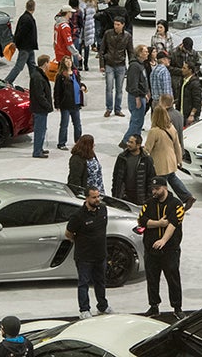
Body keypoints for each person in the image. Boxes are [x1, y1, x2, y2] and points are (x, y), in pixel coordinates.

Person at [138, 177, 186, 319]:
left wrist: (164, 240)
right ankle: (154, 306)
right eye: (153, 189)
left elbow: (173, 223)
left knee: (173, 278)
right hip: (151, 249)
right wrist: (159, 223)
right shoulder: (148, 204)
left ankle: (177, 307)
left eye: (157, 189)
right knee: (152, 278)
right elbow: (141, 220)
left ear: (165, 188)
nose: (154, 191)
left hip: (170, 249)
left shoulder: (176, 204)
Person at [65, 186, 111, 319]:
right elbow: (68, 234)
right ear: (86, 198)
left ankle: (103, 306)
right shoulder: (78, 216)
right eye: (94, 197)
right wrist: (81, 241)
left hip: (100, 254)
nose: (97, 200)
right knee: (83, 283)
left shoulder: (103, 209)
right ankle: (84, 310)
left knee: (101, 282)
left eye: (98, 197)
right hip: (84, 256)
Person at [144, 106, 194, 209]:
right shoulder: (171, 128)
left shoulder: (154, 131)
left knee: (159, 184)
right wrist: (179, 160)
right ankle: (187, 197)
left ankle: (162, 203)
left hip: (160, 163)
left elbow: (147, 148)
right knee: (172, 178)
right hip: (171, 160)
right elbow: (177, 145)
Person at [99, 17, 134, 118]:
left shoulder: (127, 36)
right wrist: (102, 64)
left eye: (118, 24)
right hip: (109, 64)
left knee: (119, 89)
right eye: (115, 24)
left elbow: (130, 51)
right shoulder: (108, 34)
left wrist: (132, 64)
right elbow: (102, 50)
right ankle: (109, 108)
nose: (116, 26)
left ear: (123, 25)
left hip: (121, 65)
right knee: (109, 88)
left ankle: (117, 109)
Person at [111, 134, 156, 204]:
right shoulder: (122, 157)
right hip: (124, 196)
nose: (128, 144)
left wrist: (148, 198)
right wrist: (115, 195)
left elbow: (151, 179)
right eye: (128, 141)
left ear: (138, 145)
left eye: (131, 142)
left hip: (140, 197)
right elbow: (116, 177)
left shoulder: (146, 159)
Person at [54, 55, 85, 150]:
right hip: (65, 104)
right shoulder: (60, 76)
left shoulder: (75, 73)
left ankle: (78, 142)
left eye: (69, 60)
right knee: (64, 125)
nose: (68, 62)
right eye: (66, 61)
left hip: (76, 104)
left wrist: (83, 86)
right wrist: (57, 104)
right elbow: (57, 91)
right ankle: (61, 143)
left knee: (77, 125)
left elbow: (79, 83)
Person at [122, 44, 150, 147]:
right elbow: (133, 83)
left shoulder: (141, 65)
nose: (147, 53)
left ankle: (136, 142)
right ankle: (126, 141)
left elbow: (142, 80)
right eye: (145, 51)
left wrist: (145, 92)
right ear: (139, 53)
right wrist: (137, 97)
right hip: (136, 97)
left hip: (141, 95)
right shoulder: (134, 66)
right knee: (137, 122)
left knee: (138, 121)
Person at [5, 0, 38, 86]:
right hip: (26, 47)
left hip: (29, 47)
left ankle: (36, 83)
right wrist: (16, 43)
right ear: (34, 7)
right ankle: (7, 81)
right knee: (19, 66)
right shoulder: (27, 19)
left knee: (32, 66)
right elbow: (21, 33)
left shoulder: (24, 17)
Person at [29, 55, 53, 158]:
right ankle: (37, 151)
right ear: (45, 63)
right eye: (49, 62)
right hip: (40, 108)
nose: (50, 64)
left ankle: (40, 148)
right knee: (39, 130)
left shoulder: (39, 74)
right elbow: (40, 95)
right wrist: (48, 106)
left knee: (42, 129)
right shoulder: (38, 77)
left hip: (41, 108)